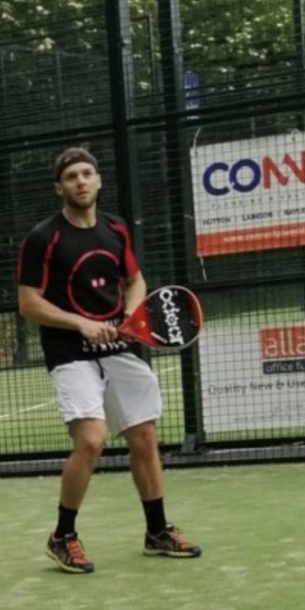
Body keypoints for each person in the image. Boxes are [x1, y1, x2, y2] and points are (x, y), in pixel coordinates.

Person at [15, 148, 201, 574]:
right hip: (69, 354)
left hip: (118, 348)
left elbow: (134, 281)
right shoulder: (43, 239)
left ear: (98, 180)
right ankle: (62, 535)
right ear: (58, 188)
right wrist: (79, 323)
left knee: (143, 437)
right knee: (92, 440)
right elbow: (28, 303)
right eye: (71, 177)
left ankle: (157, 531)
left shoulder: (116, 229)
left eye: (87, 173)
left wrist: (132, 316)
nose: (80, 181)